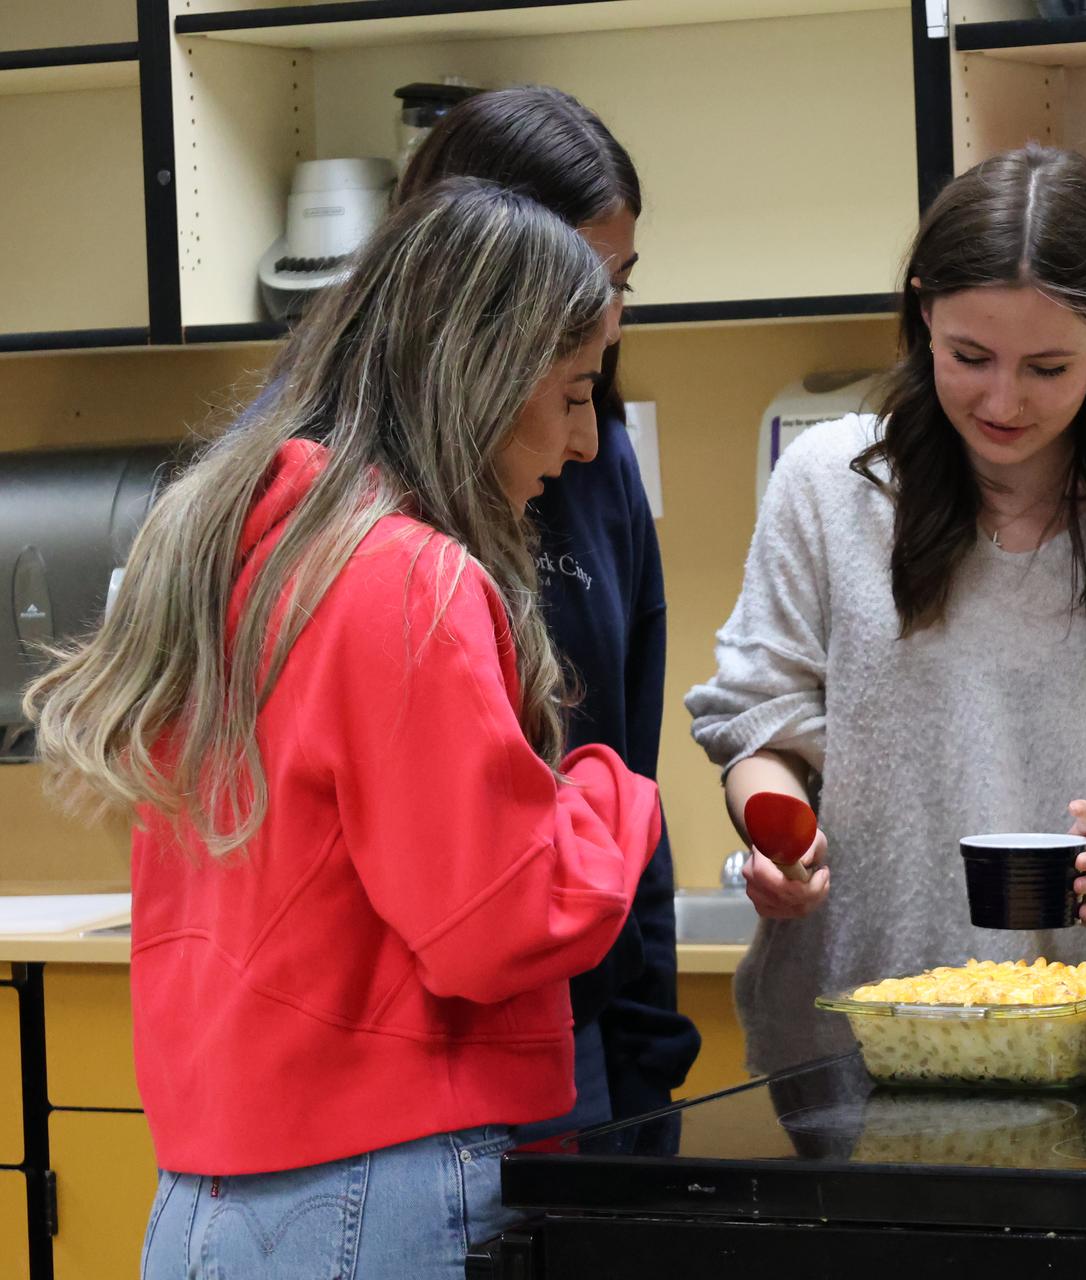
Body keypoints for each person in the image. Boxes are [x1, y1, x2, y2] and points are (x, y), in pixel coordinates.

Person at [25, 179, 659, 1277]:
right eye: (572, 391)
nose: (587, 440)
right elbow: (495, 922)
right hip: (378, 1187)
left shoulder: (230, 541)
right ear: (485, 378)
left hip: (205, 1198)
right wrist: (613, 794)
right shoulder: (408, 580)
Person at [686, 143, 1086, 1075]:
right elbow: (760, 727)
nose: (1003, 400)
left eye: (1047, 367)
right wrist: (778, 846)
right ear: (923, 312)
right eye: (970, 356)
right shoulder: (828, 486)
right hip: (843, 1050)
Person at [395, 85, 700, 1130]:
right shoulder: (358, 511)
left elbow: (630, 769)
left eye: (621, 282)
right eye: (580, 281)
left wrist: (646, 1051)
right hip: (414, 1064)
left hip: (578, 1041)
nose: (607, 319)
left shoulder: (597, 457)